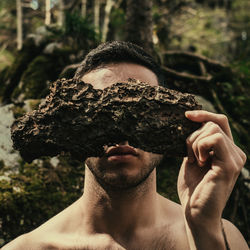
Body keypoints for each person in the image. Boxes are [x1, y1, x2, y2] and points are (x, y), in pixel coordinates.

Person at [2, 41, 248, 250]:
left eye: (140, 110)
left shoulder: (220, 238)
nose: (122, 131)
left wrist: (203, 229)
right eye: (103, 112)